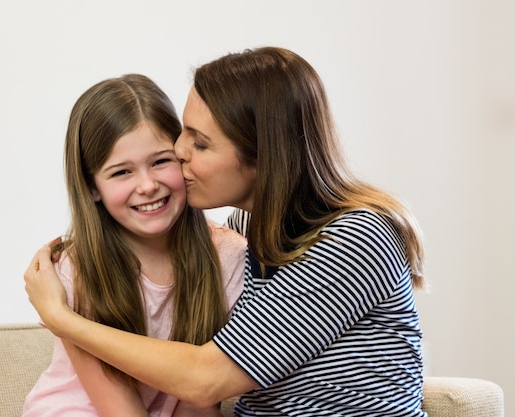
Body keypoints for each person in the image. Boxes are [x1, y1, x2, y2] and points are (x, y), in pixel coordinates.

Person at [25, 47, 428, 416]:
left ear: (261, 157)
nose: (179, 152)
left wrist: (62, 319)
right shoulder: (249, 234)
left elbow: (206, 379)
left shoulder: (355, 237)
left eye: (200, 144)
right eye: (184, 132)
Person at [21, 74, 246, 417]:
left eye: (160, 161)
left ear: (184, 158)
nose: (147, 185)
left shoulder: (228, 257)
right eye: (122, 172)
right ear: (92, 188)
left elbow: (199, 402)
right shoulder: (77, 269)